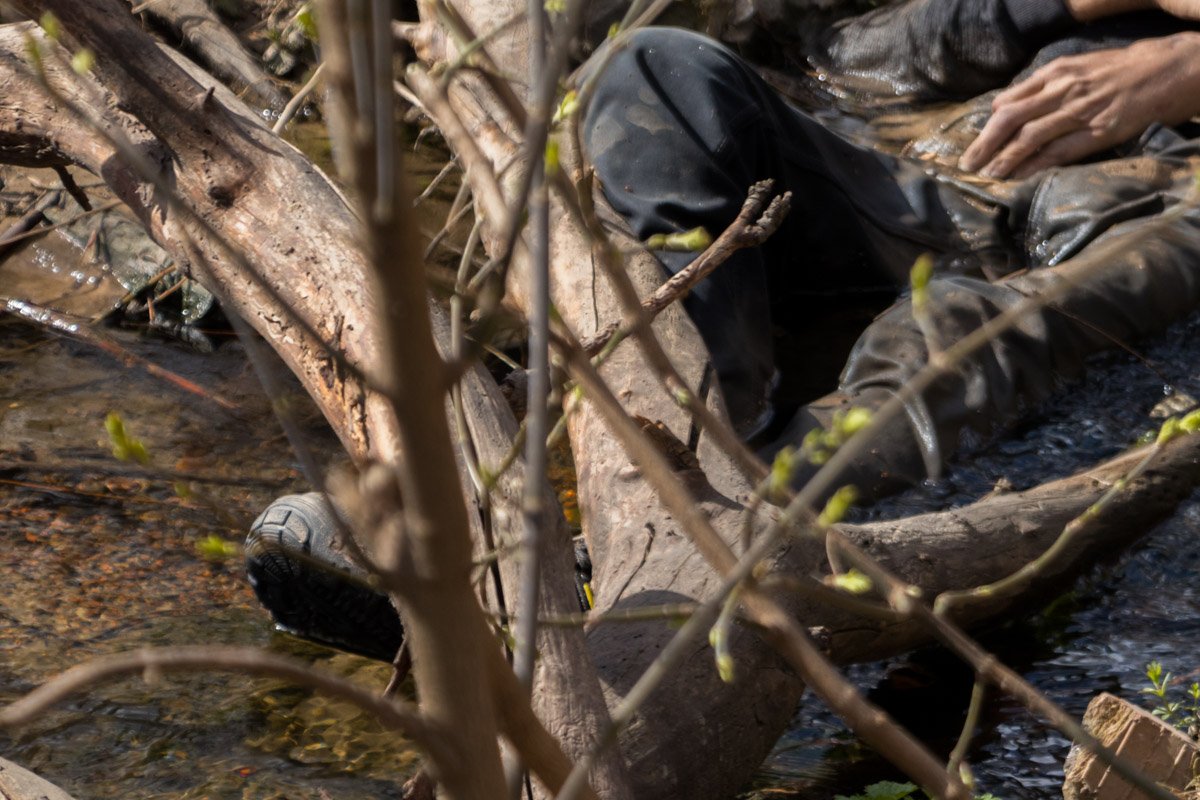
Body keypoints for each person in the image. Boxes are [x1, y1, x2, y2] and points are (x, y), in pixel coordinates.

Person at [246, 0, 1200, 655]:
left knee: (966, 330)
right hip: (940, 182)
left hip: (1159, 214)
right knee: (655, 67)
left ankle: (694, 554)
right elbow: (871, 56)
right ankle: (669, 454)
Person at [581, 0, 1200, 497]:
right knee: (655, 67)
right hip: (959, 177)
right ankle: (699, 434)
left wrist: (1187, 67)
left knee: (968, 330)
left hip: (1170, 203)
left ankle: (754, 506)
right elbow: (851, 52)